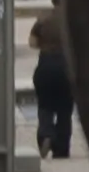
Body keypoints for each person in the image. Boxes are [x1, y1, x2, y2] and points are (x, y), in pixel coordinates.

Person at [30, 13, 76, 161]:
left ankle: (46, 135)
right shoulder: (72, 19)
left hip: (45, 66)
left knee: (45, 106)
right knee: (64, 111)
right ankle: (61, 149)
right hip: (66, 67)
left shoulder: (43, 19)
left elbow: (32, 42)